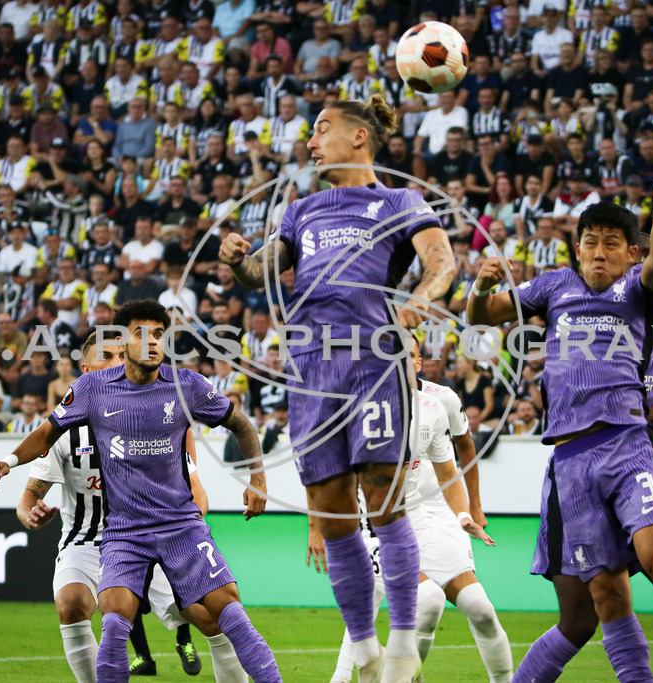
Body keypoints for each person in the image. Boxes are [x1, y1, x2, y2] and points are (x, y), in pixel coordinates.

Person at [218, 94, 456, 683]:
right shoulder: (303, 210)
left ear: (359, 138)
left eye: (322, 128)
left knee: (384, 500)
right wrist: (238, 259)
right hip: (312, 370)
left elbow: (442, 260)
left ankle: (402, 643)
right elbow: (263, 271)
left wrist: (419, 304)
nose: (310, 140)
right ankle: (366, 647)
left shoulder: (400, 200)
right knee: (331, 514)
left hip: (373, 362)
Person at [466, 186, 653, 683]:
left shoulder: (637, 292)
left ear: (631, 253)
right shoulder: (554, 286)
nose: (599, 251)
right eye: (590, 241)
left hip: (628, 446)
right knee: (606, 596)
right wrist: (480, 286)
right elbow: (482, 315)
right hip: (571, 461)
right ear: (577, 247)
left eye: (611, 243)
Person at [0, 299, 279, 682]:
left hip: (180, 527)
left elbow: (241, 423)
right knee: (114, 623)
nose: (153, 341)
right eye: (141, 333)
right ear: (123, 341)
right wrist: (9, 459)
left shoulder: (185, 384)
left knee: (229, 612)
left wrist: (258, 480)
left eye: (159, 333)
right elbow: (46, 432)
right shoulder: (92, 388)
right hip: (124, 533)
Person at [321, 336, 507, 682]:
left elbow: (451, 469)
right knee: (415, 601)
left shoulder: (436, 406)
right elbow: (324, 471)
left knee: (477, 608)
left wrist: (467, 513)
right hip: (369, 526)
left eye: (405, 357)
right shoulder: (355, 406)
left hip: (422, 517)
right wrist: (318, 528)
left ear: (418, 363)